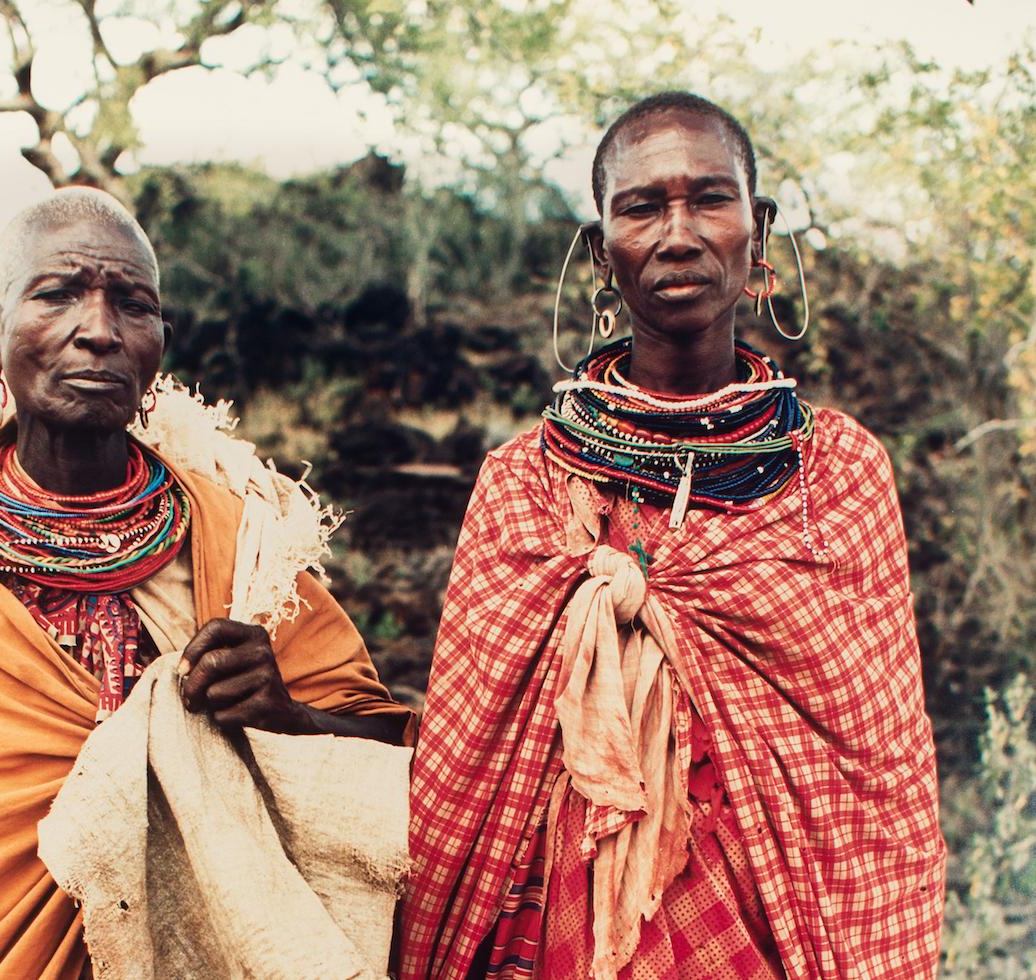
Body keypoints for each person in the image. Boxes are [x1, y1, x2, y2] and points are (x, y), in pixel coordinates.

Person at [400, 92, 945, 979]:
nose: (679, 232)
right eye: (643, 206)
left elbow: (875, 770)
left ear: (757, 231)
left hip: (778, 924)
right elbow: (470, 756)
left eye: (711, 199)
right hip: (551, 927)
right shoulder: (524, 479)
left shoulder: (837, 470)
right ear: (600, 251)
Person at [0, 186, 412, 977]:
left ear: (160, 344)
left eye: (132, 305)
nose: (98, 331)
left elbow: (389, 749)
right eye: (58, 294)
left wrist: (288, 716)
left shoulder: (239, 544)